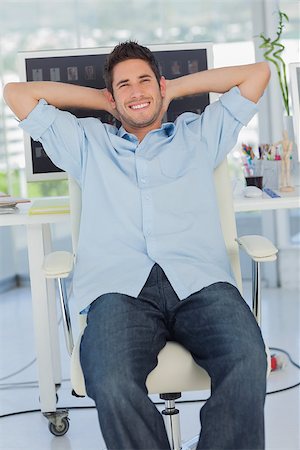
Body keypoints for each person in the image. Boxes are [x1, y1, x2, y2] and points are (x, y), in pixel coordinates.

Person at [4, 41, 271, 450]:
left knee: (247, 359)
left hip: (200, 283)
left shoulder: (198, 134)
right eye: (124, 84)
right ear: (112, 96)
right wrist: (103, 100)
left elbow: (258, 73)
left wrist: (172, 90)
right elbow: (17, 94)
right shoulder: (87, 144)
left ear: (161, 84)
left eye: (145, 80)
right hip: (119, 291)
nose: (136, 90)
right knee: (108, 378)